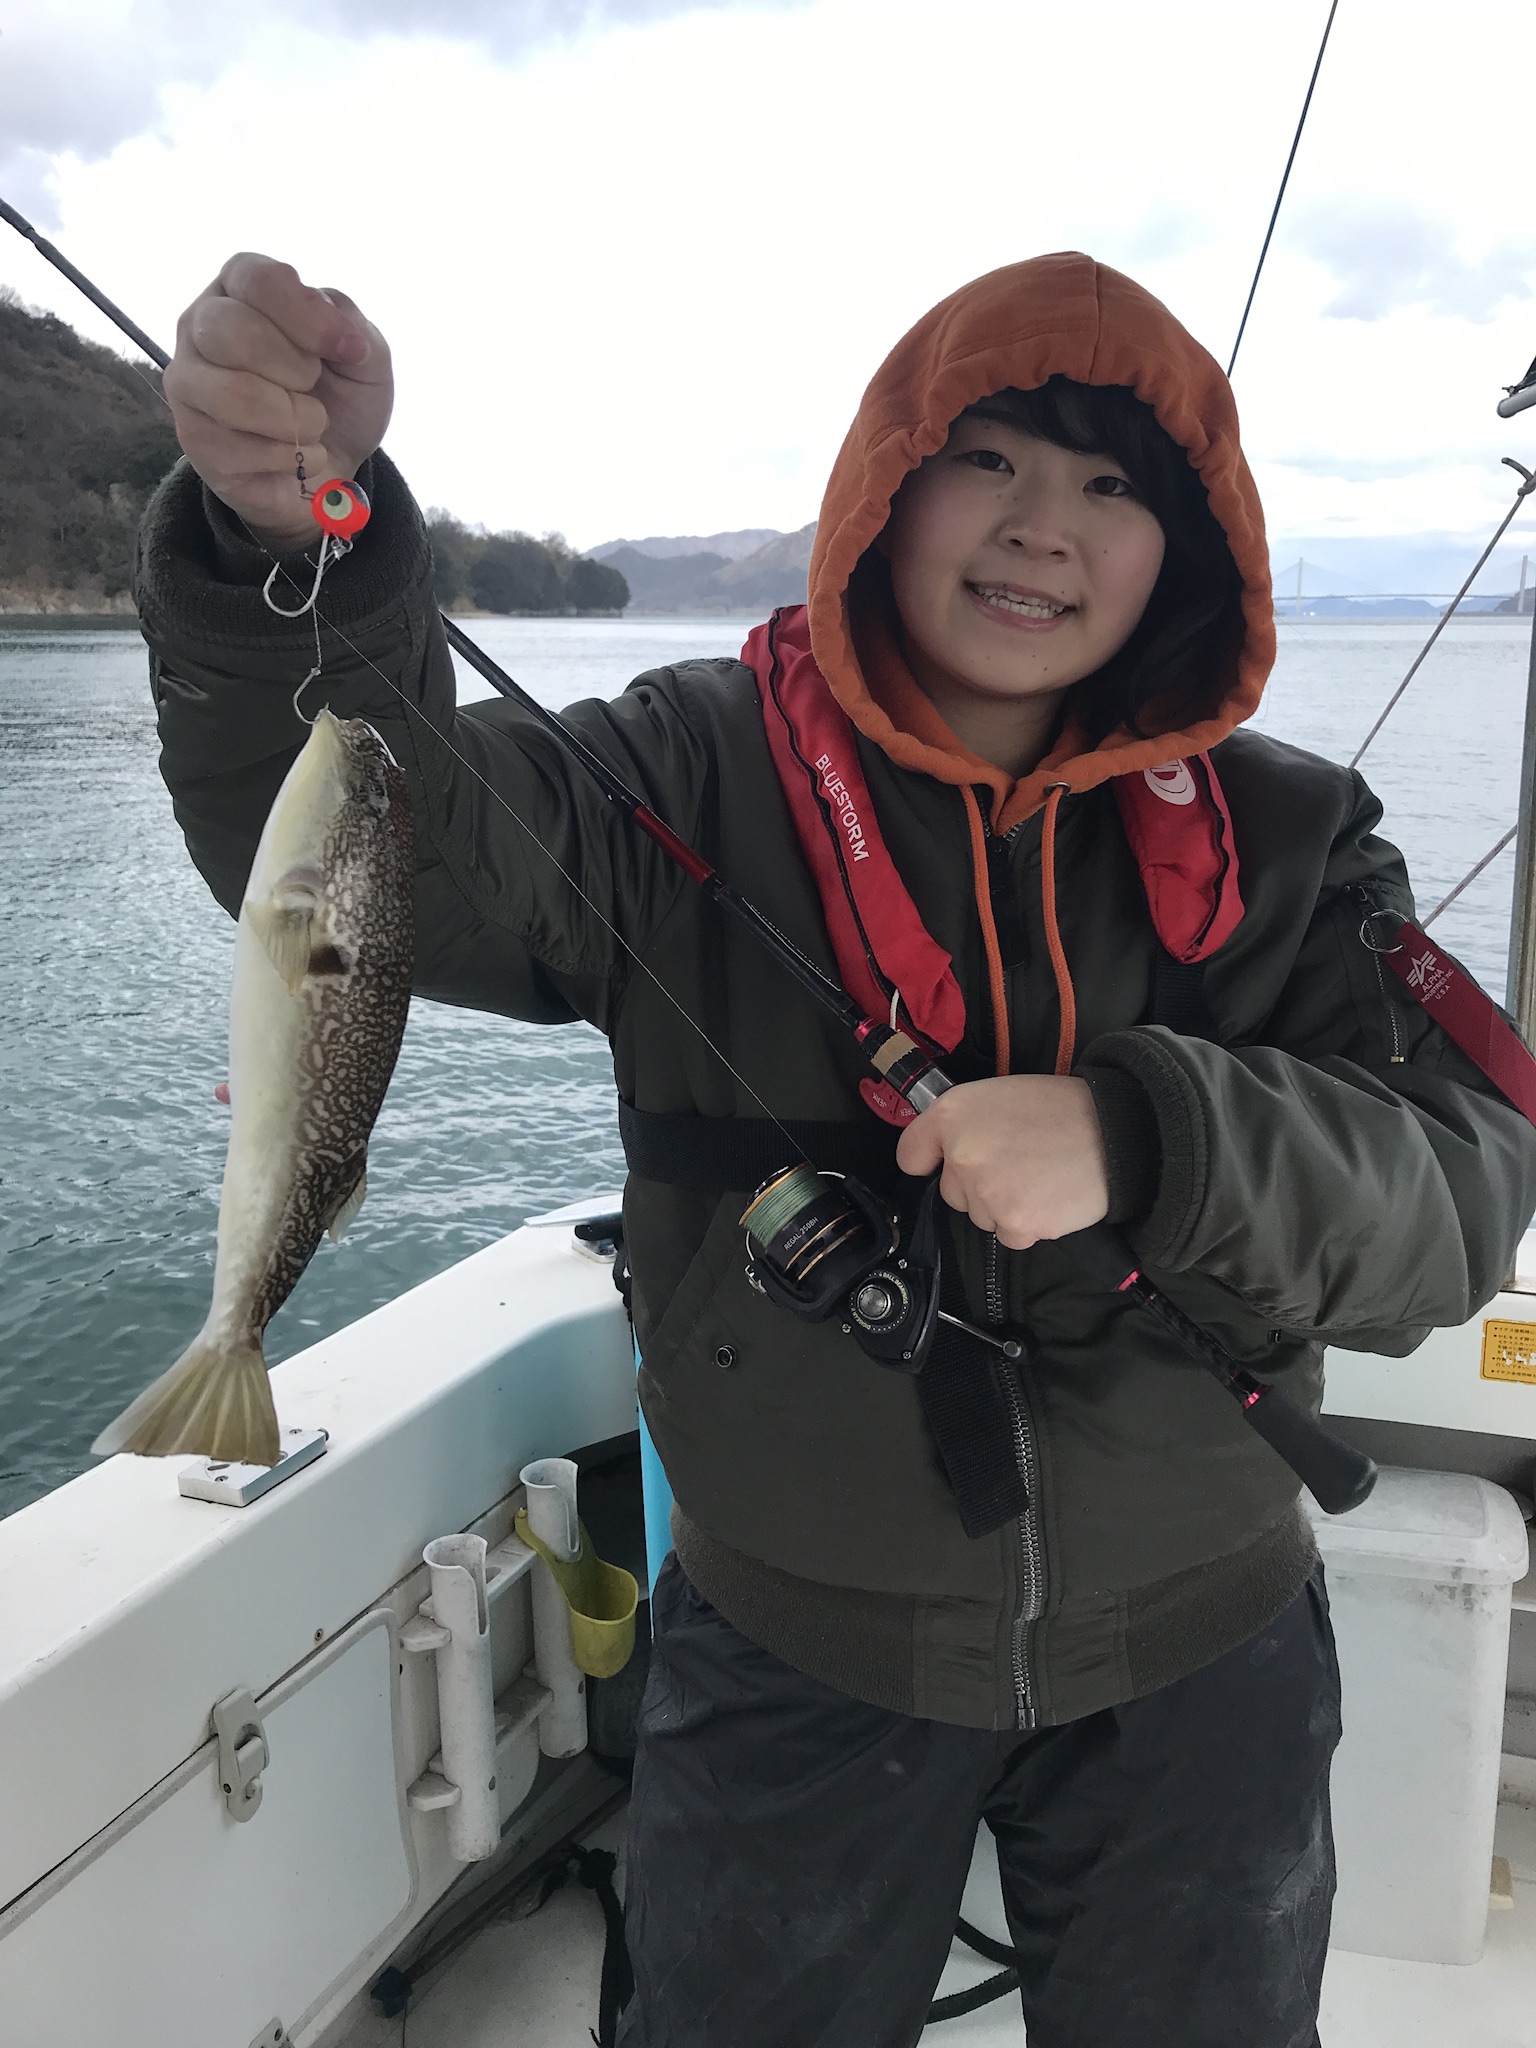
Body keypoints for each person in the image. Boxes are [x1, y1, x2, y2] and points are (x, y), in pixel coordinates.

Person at [137, 250, 1536, 2048]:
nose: (1044, 526)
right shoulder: (673, 772)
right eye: (991, 461)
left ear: (1187, 551)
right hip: (794, 1651)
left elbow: (1464, 1184)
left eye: (1113, 487)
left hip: (1206, 1652)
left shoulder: (1290, 834)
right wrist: (292, 547)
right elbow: (368, 842)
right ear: (886, 489)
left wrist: (1148, 1135)